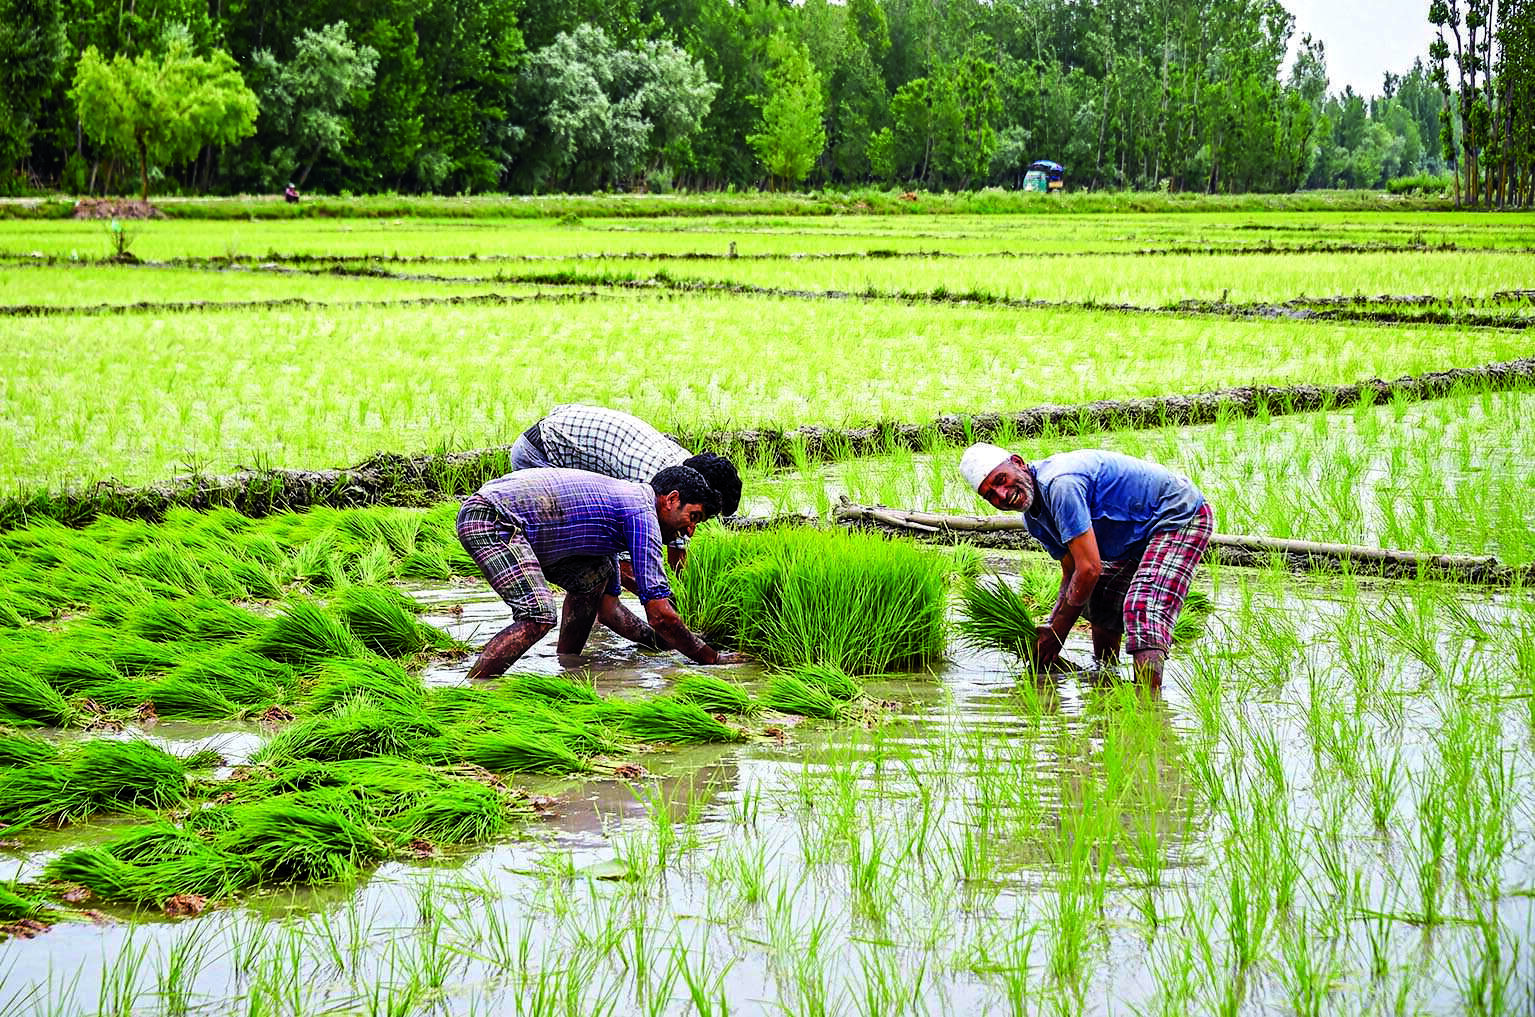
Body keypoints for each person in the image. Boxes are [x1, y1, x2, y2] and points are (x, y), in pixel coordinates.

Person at [959, 444, 1213, 688]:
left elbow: (1090, 569)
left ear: (1018, 463)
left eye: (1001, 480)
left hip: (1177, 514)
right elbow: (1072, 572)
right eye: (990, 494)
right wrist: (1050, 626)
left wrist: (1056, 635)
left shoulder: (1061, 484)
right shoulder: (1034, 520)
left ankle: (1147, 705)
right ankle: (1105, 679)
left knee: (1142, 605)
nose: (1002, 494)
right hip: (1137, 533)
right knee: (1099, 596)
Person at [456, 463, 740, 679]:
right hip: (493, 518)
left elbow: (608, 609)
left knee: (595, 576)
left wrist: (657, 643)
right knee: (538, 615)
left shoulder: (623, 509)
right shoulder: (642, 515)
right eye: (693, 517)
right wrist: (710, 658)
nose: (690, 530)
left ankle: (567, 665)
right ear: (671, 499)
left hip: (520, 523)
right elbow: (660, 615)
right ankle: (475, 688)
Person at [510, 403, 743, 574]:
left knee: (600, 567)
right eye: (701, 514)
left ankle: (598, 617)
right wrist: (667, 605)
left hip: (571, 437)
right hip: (541, 453)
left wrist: (686, 589)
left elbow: (677, 538)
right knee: (590, 559)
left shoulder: (685, 473)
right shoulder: (649, 481)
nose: (693, 528)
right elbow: (626, 557)